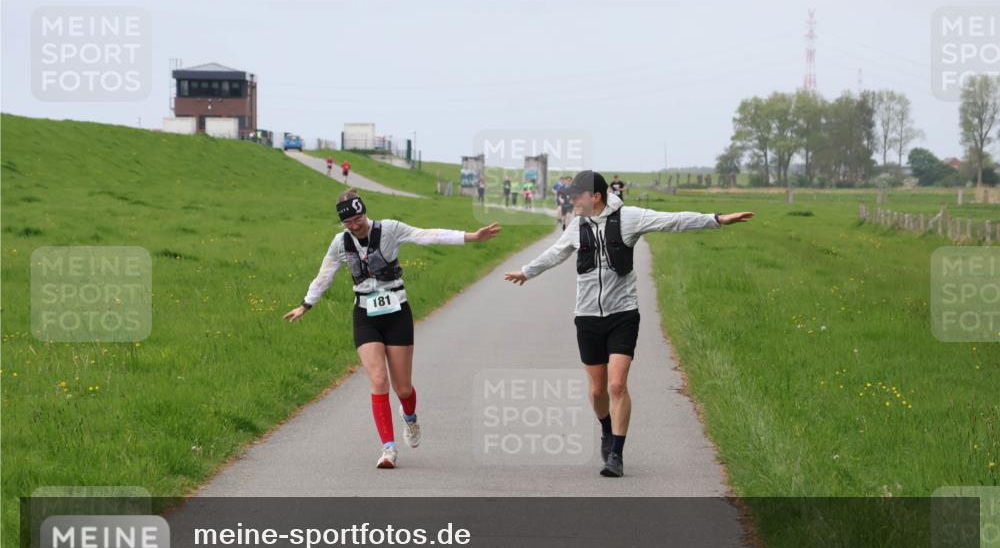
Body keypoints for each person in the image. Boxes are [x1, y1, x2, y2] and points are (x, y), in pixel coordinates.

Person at [503, 171, 752, 478]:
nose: (572, 201)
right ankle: (606, 428)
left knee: (617, 384)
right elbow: (555, 253)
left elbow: (671, 221)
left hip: (623, 314)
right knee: (597, 392)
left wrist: (716, 219)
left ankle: (616, 456)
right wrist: (527, 271)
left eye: (576, 196)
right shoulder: (577, 225)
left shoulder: (629, 218)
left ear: (595, 197)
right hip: (588, 317)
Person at [284, 190, 502, 468]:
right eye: (347, 222)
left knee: (403, 388)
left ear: (364, 212)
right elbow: (324, 275)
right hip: (365, 314)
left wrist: (472, 236)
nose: (354, 225)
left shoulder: (390, 230)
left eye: (358, 218)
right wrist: (306, 304)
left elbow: (428, 235)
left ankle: (410, 418)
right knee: (378, 381)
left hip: (397, 311)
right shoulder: (340, 243)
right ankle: (388, 449)